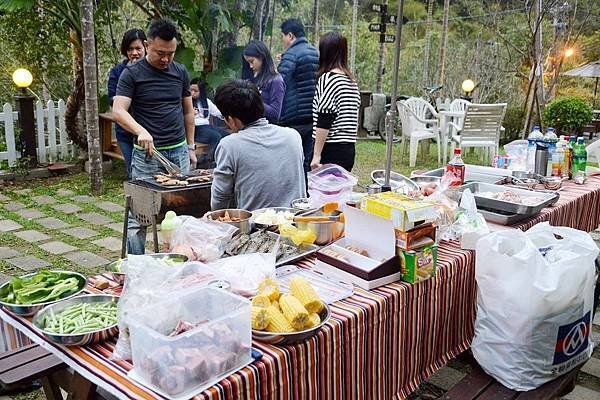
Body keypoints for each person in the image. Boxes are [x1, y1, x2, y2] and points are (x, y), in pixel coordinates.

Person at [112, 18, 197, 254]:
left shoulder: (179, 72)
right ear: (148, 45)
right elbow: (118, 111)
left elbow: (188, 112)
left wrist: (190, 147)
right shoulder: (132, 74)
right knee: (138, 217)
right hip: (147, 156)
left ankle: (180, 261)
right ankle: (136, 265)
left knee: (182, 213)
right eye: (161, 53)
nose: (166, 59)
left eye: (171, 53)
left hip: (178, 151)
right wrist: (140, 130)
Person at [211, 79, 305, 211]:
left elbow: (220, 198)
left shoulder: (229, 145)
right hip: (298, 223)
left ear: (232, 120)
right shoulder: (293, 136)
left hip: (256, 228)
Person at [311, 32, 361, 172]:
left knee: (324, 193)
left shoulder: (327, 79)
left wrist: (316, 155)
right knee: (341, 192)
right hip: (348, 149)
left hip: (330, 148)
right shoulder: (351, 81)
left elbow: (325, 118)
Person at [278, 19, 319, 172]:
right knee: (305, 162)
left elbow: (280, 82)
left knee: (290, 163)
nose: (283, 40)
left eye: (283, 36)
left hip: (292, 117)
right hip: (311, 116)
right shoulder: (314, 52)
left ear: (290, 35)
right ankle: (305, 193)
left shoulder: (291, 54)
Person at [107, 28, 146, 178]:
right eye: (130, 49)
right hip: (125, 131)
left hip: (148, 131)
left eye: (138, 48)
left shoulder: (154, 70)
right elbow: (112, 98)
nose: (134, 53)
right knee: (133, 172)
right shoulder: (118, 71)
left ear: (146, 47)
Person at [242, 40, 285, 124]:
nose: (250, 66)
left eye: (252, 61)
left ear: (261, 57)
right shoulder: (251, 78)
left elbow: (275, 114)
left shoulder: (276, 80)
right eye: (248, 63)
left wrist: (253, 99)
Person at [191, 78, 227, 168]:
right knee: (216, 137)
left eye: (195, 91)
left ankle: (223, 159)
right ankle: (209, 160)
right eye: (190, 90)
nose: (192, 93)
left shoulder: (206, 102)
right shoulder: (186, 101)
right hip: (195, 128)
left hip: (206, 127)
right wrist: (191, 114)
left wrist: (227, 114)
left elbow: (218, 113)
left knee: (226, 135)